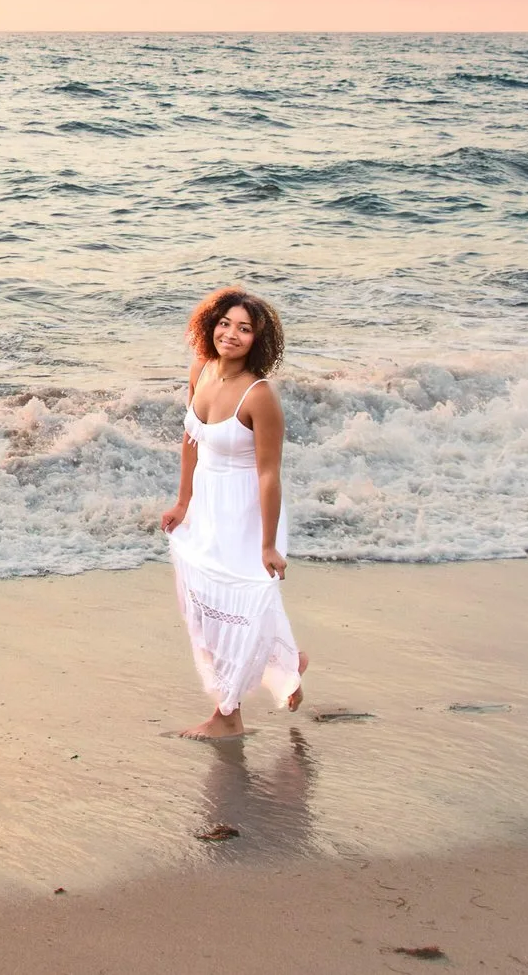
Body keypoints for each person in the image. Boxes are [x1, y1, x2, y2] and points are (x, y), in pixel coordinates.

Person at [159, 286, 306, 738]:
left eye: (244, 329)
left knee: (240, 600)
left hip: (246, 512)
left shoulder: (260, 396)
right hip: (206, 505)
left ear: (258, 340)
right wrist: (183, 502)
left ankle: (228, 716)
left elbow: (268, 475)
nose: (231, 334)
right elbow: (191, 440)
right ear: (210, 325)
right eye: (225, 323)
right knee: (206, 607)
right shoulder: (201, 370)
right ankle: (287, 662)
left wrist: (267, 543)